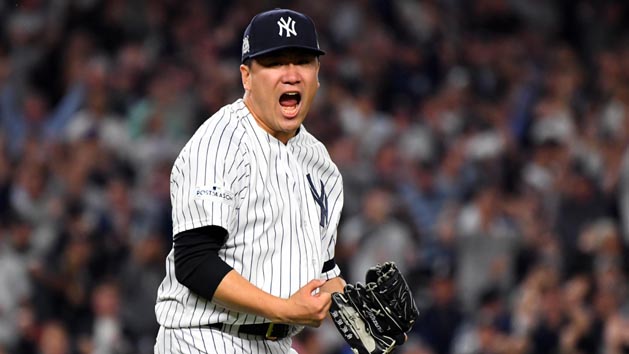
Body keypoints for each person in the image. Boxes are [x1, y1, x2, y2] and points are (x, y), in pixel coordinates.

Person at [154, 8, 346, 354]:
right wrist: (286, 309)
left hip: (276, 344)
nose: (291, 75)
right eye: (274, 63)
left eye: (302, 61)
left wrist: (353, 309)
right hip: (202, 337)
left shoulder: (321, 164)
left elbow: (323, 271)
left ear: (317, 74)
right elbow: (194, 261)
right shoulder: (219, 142)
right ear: (247, 76)